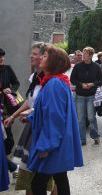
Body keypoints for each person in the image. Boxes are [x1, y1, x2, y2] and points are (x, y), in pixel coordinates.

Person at [27, 45, 83, 195]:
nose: (40, 58)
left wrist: (46, 146)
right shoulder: (56, 81)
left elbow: (55, 118)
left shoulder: (53, 84)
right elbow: (49, 110)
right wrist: (30, 117)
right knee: (60, 179)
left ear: (53, 62)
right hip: (58, 142)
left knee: (38, 184)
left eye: (45, 56)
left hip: (53, 144)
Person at [4, 43, 56, 194]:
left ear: (44, 57)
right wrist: (13, 116)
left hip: (42, 130)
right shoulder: (35, 77)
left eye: (35, 54)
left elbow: (48, 108)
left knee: (47, 177)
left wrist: (32, 113)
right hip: (31, 128)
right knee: (30, 175)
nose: (31, 56)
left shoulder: (51, 80)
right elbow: (29, 100)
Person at [70, 47, 102, 145]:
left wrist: (92, 84)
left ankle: (95, 136)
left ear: (91, 55)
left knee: (91, 117)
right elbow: (72, 79)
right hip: (79, 95)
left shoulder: (97, 66)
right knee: (80, 118)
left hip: (91, 95)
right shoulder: (77, 66)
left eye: (85, 54)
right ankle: (82, 139)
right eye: (83, 53)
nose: (83, 55)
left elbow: (101, 80)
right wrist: (81, 85)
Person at [0, 47, 20, 178]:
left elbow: (16, 83)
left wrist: (10, 89)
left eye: (2, 56)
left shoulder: (7, 68)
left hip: (6, 109)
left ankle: (7, 165)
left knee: (8, 139)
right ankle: (10, 167)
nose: (1, 59)